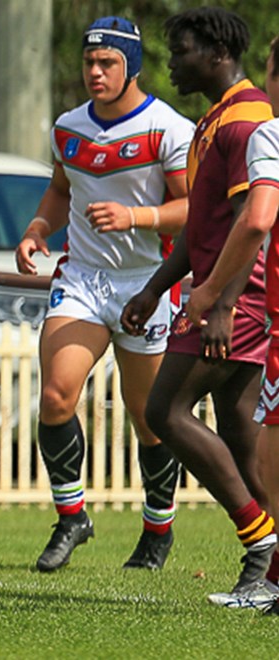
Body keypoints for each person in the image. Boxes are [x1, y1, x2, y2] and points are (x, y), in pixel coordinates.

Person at [15, 17, 193, 573]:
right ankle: (72, 518)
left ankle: (157, 531)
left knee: (150, 417)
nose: (95, 72)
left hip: (148, 282)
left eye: (107, 63)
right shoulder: (68, 127)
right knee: (55, 397)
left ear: (131, 67)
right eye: (90, 62)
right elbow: (59, 189)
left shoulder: (168, 127)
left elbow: (193, 209)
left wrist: (135, 215)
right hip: (83, 280)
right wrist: (37, 230)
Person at [121, 7, 275, 608]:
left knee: (165, 409)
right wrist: (156, 287)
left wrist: (223, 302)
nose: (172, 62)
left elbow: (251, 219)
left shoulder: (248, 121)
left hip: (238, 296)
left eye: (181, 51)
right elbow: (204, 224)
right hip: (223, 293)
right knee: (241, 432)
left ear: (217, 52)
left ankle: (260, 543)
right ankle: (273, 563)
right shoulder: (212, 120)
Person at [184, 32, 279, 612]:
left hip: (263, 311)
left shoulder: (266, 133)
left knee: (269, 458)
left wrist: (214, 292)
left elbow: (256, 218)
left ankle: (265, 562)